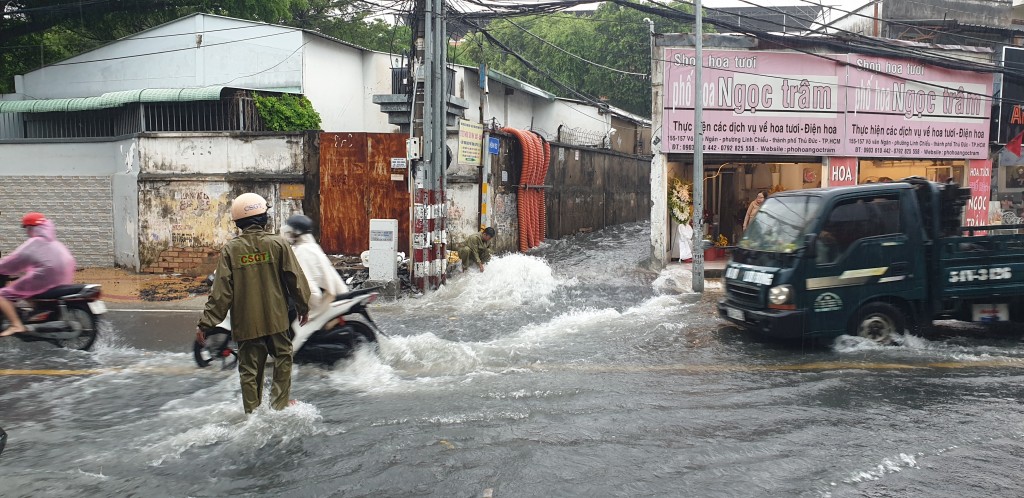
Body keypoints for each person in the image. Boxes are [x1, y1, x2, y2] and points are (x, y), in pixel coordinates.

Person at [196, 193, 311, 414]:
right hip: (276, 320)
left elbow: (221, 293)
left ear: (238, 222)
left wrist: (205, 323)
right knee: (283, 358)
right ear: (263, 219)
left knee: (249, 370)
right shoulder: (278, 244)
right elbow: (295, 279)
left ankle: (252, 413)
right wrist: (303, 307)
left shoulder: (231, 250)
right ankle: (278, 405)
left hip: (246, 324)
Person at [0, 213, 76, 337]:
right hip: (62, 278)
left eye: (27, 228)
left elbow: (15, 260)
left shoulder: (35, 243)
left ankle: (16, 324)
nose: (26, 231)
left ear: (31, 227)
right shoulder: (53, 242)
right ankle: (36, 315)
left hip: (46, 277)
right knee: (26, 288)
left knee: (3, 295)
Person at [280, 214, 348, 351]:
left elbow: (307, 287)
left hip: (321, 298)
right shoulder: (307, 246)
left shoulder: (304, 251)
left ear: (296, 233)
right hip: (328, 294)